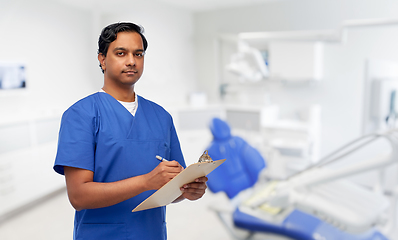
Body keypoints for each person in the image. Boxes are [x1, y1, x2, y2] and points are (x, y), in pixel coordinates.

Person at [53, 22, 208, 240]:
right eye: (121, 53)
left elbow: (171, 188)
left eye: (138, 54)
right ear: (102, 59)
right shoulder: (81, 115)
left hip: (152, 233)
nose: (131, 61)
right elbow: (79, 196)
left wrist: (188, 191)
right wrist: (146, 182)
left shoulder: (161, 116)